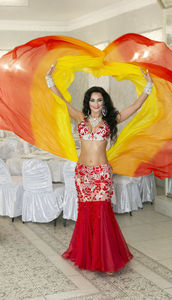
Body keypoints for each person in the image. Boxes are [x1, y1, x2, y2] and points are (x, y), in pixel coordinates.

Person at [45, 64, 153, 273]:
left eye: (99, 99)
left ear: (104, 102)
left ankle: (107, 258)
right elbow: (61, 101)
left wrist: (148, 86)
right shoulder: (80, 118)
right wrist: (50, 80)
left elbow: (136, 106)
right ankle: (86, 255)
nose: (95, 103)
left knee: (102, 212)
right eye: (92, 99)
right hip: (83, 173)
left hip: (101, 173)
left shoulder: (112, 120)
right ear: (88, 102)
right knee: (85, 213)